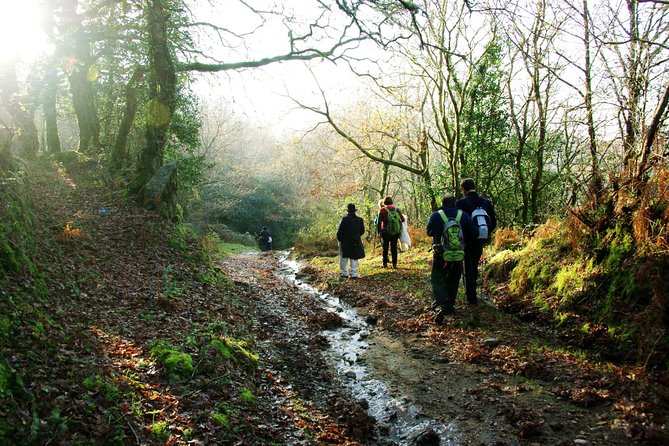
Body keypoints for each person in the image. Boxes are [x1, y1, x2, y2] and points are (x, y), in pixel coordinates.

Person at [427, 194, 476, 323]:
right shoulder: (463, 215)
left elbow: (429, 232)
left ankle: (441, 303)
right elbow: (473, 233)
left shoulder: (436, 215)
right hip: (458, 254)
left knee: (437, 278)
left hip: (441, 253)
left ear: (442, 203)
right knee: (454, 279)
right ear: (455, 203)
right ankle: (449, 306)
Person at [456, 178, 497, 305]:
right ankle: (472, 292)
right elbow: (493, 222)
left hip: (467, 239)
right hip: (481, 238)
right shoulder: (486, 202)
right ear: (475, 187)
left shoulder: (461, 203)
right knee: (474, 264)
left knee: (468, 265)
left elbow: (458, 221)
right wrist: (485, 233)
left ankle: (471, 297)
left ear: (463, 189)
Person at [336, 203, 365, 278]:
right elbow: (362, 231)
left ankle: (344, 273)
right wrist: (356, 237)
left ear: (348, 211)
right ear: (355, 211)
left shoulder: (344, 219)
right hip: (356, 241)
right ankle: (354, 273)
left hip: (345, 241)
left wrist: (340, 240)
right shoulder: (360, 220)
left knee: (343, 257)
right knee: (354, 257)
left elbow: (340, 231)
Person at [376, 196, 406, 268]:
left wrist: (379, 232)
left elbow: (379, 222)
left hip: (385, 231)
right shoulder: (396, 210)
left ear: (384, 202)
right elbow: (403, 219)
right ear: (391, 202)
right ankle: (394, 264)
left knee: (385, 247)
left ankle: (385, 264)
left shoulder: (382, 210)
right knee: (394, 247)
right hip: (395, 232)